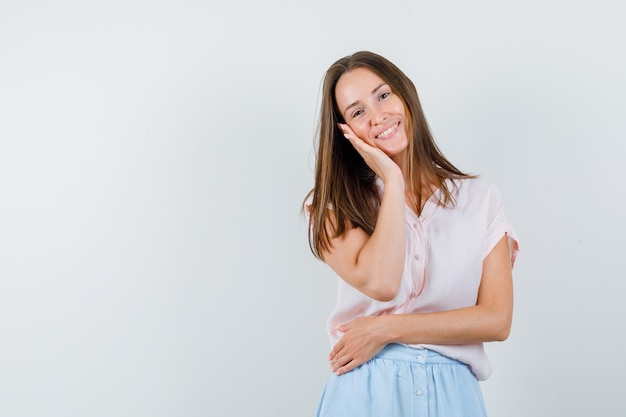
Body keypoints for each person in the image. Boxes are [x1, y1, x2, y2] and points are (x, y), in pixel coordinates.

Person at [304, 51, 519, 417]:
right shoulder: (331, 208)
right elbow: (383, 283)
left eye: (383, 95)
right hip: (366, 391)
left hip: (455, 393)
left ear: (406, 95)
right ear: (345, 132)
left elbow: (497, 320)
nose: (378, 116)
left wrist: (384, 329)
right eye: (357, 112)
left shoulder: (481, 198)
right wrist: (392, 179)